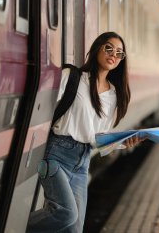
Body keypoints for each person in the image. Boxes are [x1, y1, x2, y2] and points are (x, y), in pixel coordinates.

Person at [26, 32, 143, 233]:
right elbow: (43, 110)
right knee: (65, 213)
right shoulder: (72, 77)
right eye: (108, 48)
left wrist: (124, 142)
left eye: (119, 53)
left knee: (74, 229)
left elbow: (98, 138)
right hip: (56, 155)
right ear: (97, 48)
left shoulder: (113, 95)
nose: (113, 54)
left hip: (82, 162)